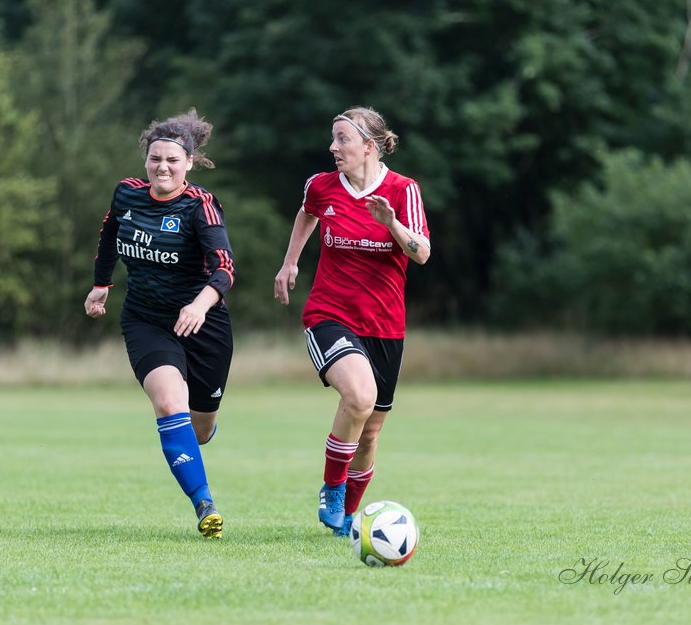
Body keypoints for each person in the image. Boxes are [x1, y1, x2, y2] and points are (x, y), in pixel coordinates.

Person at [273, 106, 431, 536]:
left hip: (384, 326)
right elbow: (307, 212)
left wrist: (391, 223)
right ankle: (331, 488)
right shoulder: (322, 186)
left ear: (370, 146)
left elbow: (421, 252)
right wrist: (290, 263)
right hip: (329, 315)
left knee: (370, 433)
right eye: (333, 137)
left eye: (342, 138)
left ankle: (347, 519)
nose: (333, 147)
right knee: (359, 396)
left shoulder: (402, 190)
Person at [84, 109, 236, 539]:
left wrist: (200, 305)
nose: (162, 167)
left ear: (188, 162)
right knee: (170, 402)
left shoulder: (200, 206)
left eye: (172, 160)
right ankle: (204, 503)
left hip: (203, 324)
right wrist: (101, 284)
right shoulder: (127, 194)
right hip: (146, 319)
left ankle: (197, 431)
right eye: (155, 159)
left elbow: (225, 269)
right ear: (146, 161)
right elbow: (110, 234)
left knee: (200, 427)